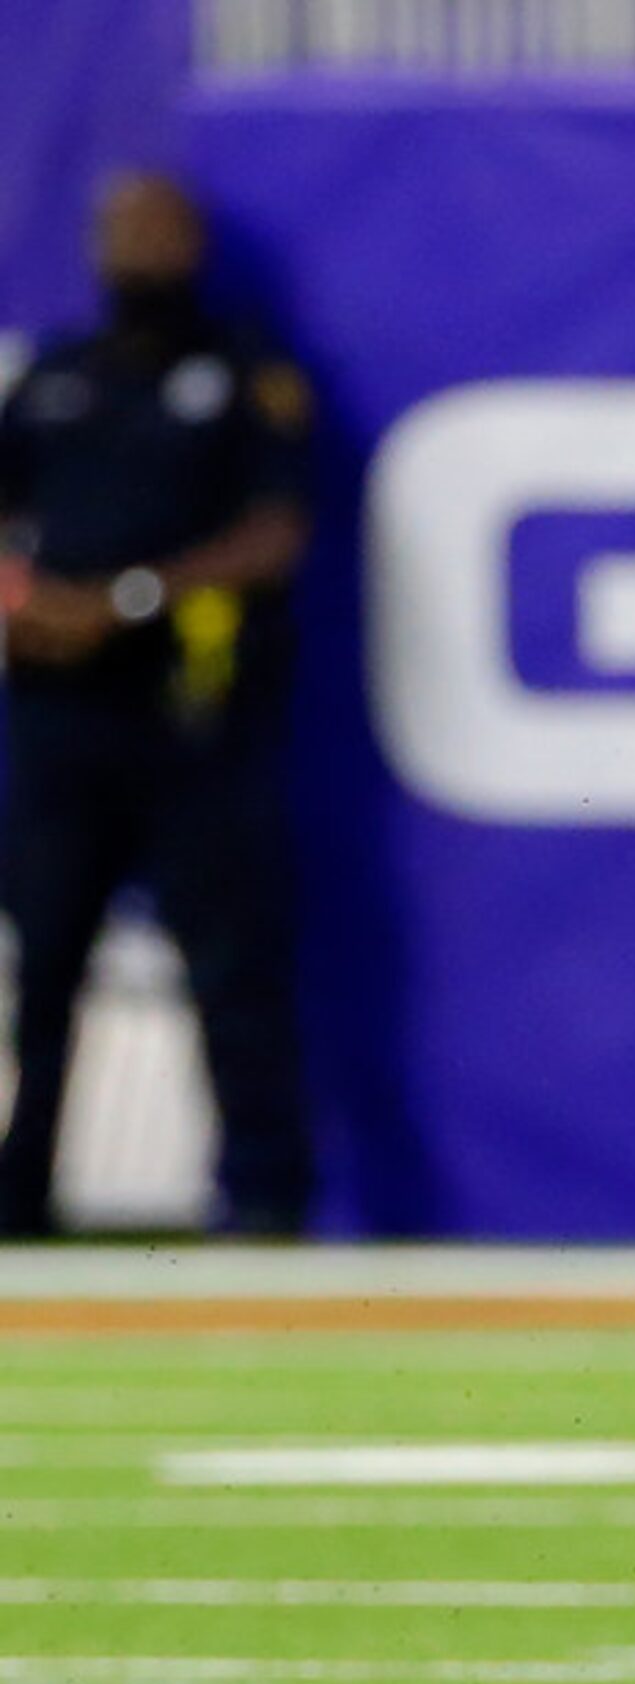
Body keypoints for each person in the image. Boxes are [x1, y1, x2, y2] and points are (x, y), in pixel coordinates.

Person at [0, 173, 316, 1237]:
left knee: (231, 975)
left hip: (193, 721)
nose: (135, 246)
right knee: (42, 974)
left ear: (195, 243)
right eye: (118, 227)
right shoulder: (54, 374)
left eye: (157, 227)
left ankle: (268, 1202)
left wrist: (125, 603)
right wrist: (26, 602)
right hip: (56, 722)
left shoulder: (241, 376)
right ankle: (19, 1201)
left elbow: (275, 534)